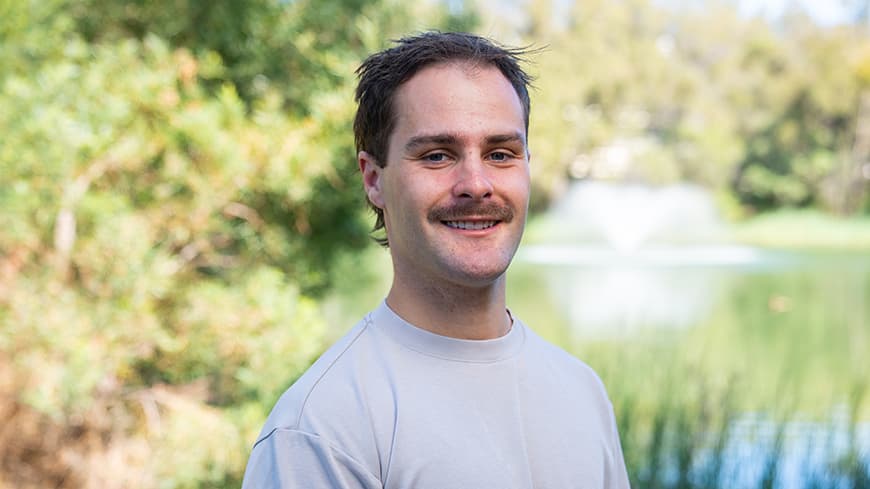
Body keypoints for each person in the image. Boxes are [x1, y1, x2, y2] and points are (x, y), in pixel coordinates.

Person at [241, 31, 630, 489]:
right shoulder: (321, 429)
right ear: (374, 179)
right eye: (438, 155)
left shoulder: (582, 392)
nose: (476, 184)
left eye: (500, 154)